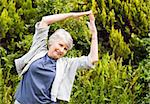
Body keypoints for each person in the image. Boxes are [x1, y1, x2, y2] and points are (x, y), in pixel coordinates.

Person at [14, 10, 98, 104]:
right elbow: (45, 20)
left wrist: (94, 34)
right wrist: (72, 15)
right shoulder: (38, 50)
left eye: (65, 49)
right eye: (60, 45)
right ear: (52, 42)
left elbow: (92, 59)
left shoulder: (65, 64)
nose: (62, 50)